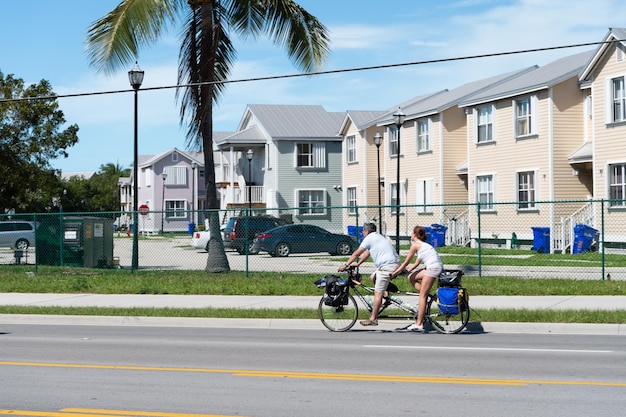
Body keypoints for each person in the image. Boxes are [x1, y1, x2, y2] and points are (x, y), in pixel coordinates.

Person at [339, 222, 400, 326]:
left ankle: (373, 319)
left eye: (363, 231)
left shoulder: (369, 238)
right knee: (373, 277)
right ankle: (386, 296)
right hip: (394, 264)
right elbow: (367, 253)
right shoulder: (378, 237)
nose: (362, 233)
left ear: (366, 231)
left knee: (377, 293)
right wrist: (358, 264)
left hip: (387, 267)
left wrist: (345, 265)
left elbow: (357, 253)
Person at [391, 225, 443, 332]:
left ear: (415, 234)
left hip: (432, 268)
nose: (411, 234)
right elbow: (415, 264)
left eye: (411, 232)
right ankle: (426, 294)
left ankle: (419, 324)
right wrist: (407, 271)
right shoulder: (424, 245)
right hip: (435, 267)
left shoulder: (415, 245)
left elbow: (406, 262)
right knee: (411, 277)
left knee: (422, 297)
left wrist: (395, 273)